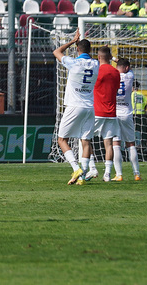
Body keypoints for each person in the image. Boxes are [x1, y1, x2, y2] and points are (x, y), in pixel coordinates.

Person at [53, 34, 98, 185]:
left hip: (74, 106)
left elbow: (56, 52)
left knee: (61, 139)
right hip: (90, 108)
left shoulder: (73, 63)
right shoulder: (96, 64)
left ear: (77, 49)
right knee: (85, 141)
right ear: (90, 50)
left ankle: (75, 168)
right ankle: (82, 176)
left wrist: (71, 41)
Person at [91, 47, 121, 183]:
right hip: (111, 112)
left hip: (97, 111)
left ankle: (92, 167)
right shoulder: (116, 72)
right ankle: (108, 174)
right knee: (108, 144)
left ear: (98, 57)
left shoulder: (96, 71)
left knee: (84, 138)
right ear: (109, 57)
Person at [110, 56, 142, 181]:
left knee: (116, 144)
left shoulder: (113, 76)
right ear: (127, 68)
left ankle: (119, 174)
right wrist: (115, 58)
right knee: (130, 144)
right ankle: (137, 173)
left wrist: (109, 56)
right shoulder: (130, 76)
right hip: (127, 113)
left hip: (114, 113)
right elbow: (124, 66)